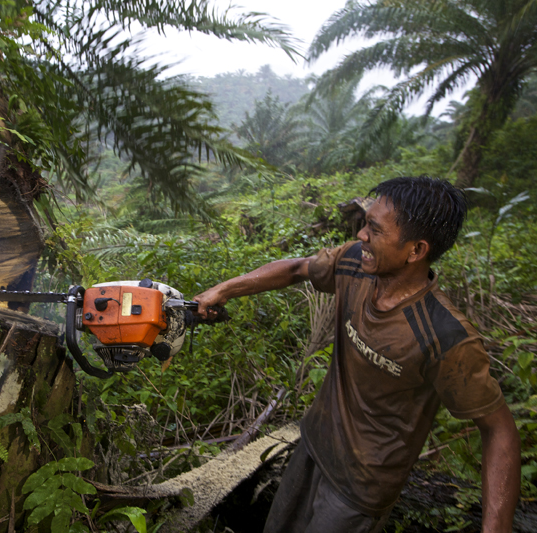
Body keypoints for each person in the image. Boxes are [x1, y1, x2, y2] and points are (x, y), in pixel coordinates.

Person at [193, 177, 520, 533]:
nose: (362, 235)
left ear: (415, 250)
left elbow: (499, 429)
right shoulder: (354, 264)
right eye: (366, 222)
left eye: (375, 229)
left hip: (359, 490)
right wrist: (223, 290)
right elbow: (297, 268)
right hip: (313, 448)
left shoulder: (444, 337)